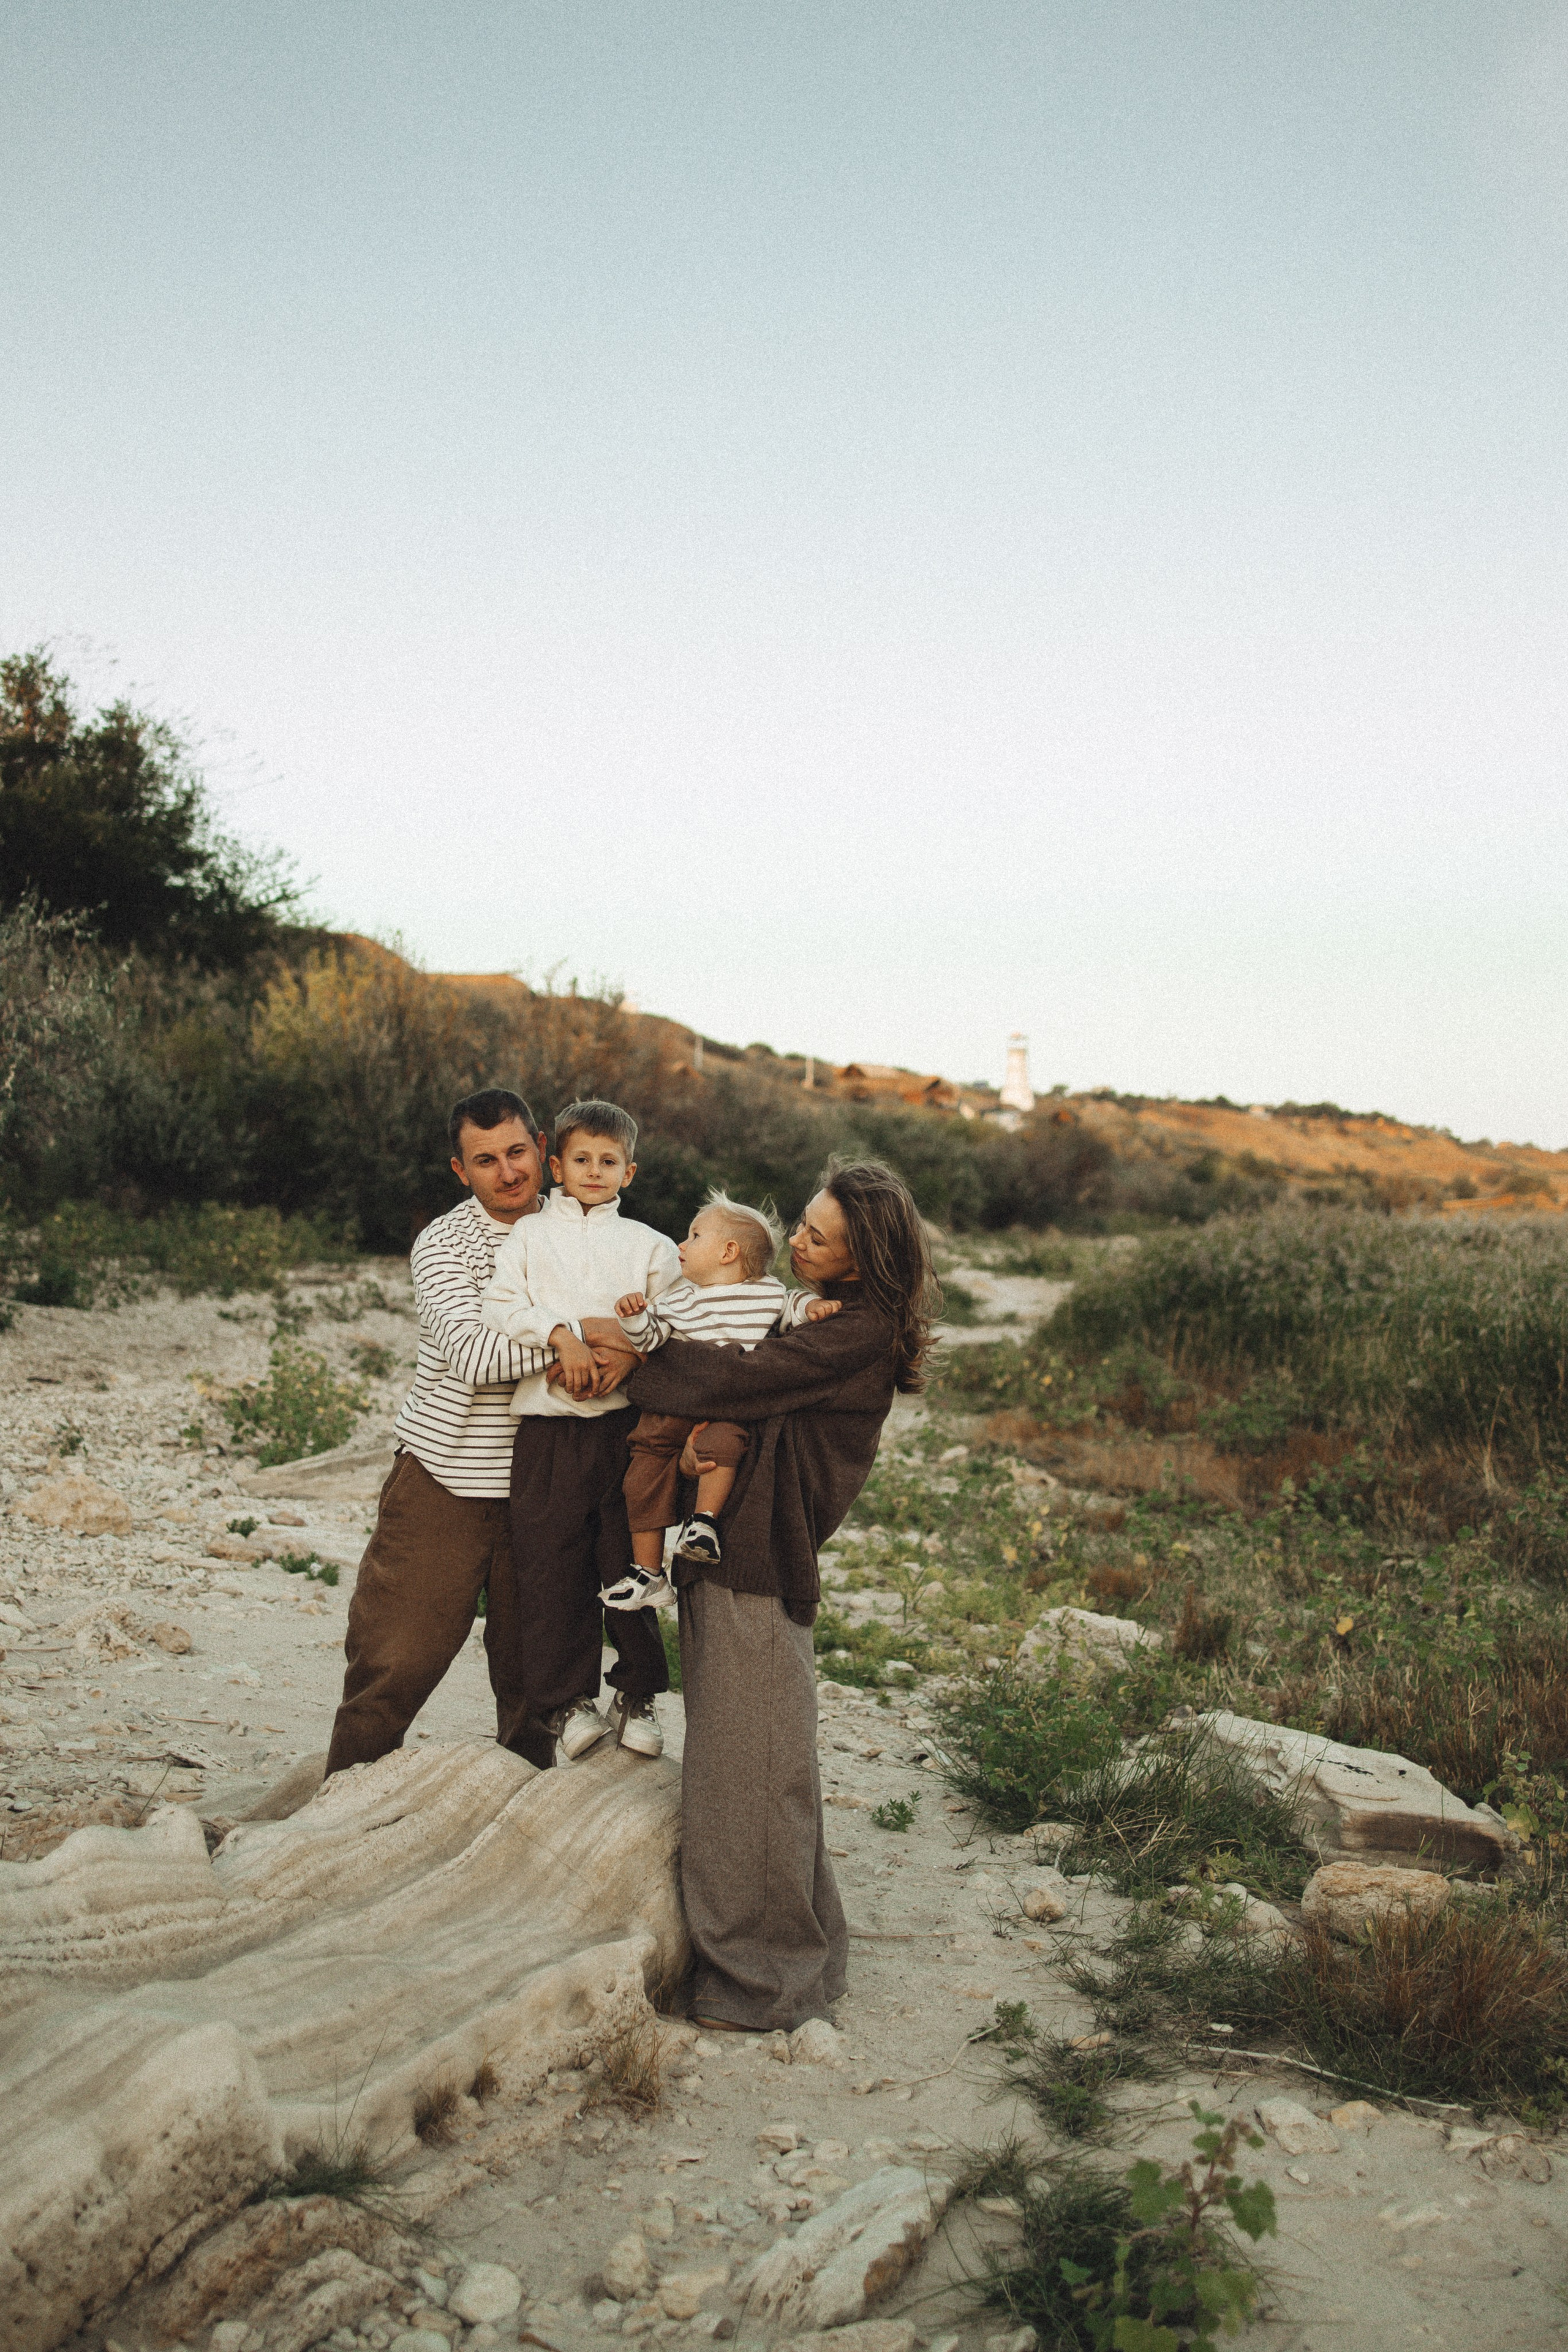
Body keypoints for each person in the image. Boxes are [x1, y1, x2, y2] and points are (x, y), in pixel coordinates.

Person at [624, 1158, 937, 2034]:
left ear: (861, 1255)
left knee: (744, 1777)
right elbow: (734, 1365)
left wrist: (626, 1358)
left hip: (759, 1558)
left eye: (815, 1237)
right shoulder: (820, 1315)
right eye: (799, 1225)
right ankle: (809, 1961)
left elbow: (734, 1379)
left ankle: (763, 1988)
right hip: (740, 1550)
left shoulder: (851, 1331)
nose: (793, 1243)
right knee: (767, 1765)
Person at [324, 1088, 561, 1777]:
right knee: (392, 1663)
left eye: (517, 1152)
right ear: (462, 1172)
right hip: (446, 1475)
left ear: (541, 1147)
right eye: (485, 1160)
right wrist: (583, 1342)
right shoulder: (444, 1245)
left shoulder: (585, 1233)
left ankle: (513, 1833)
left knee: (535, 1686)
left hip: (546, 1486)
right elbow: (479, 1359)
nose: (508, 1172)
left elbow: (660, 1316)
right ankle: (338, 1818)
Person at [478, 1098, 677, 1767]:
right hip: (547, 1430)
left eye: (609, 1161)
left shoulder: (650, 1246)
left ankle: (638, 1692)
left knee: (629, 1561)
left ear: (630, 1172)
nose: (594, 1172)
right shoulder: (530, 1238)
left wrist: (624, 1354)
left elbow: (675, 1327)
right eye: (582, 1160)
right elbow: (503, 1305)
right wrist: (561, 1337)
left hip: (625, 1431)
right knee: (550, 1566)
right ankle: (566, 1702)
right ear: (556, 1164)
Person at [607, 1192, 840, 1609]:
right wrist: (634, 1318)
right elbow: (649, 1339)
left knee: (722, 1446)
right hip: (669, 1413)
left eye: (695, 1236)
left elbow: (793, 1306)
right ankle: (649, 1574)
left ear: (728, 1252)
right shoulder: (677, 1299)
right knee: (642, 1476)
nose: (682, 1245)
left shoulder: (766, 1292)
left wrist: (814, 1307)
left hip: (727, 1411)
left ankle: (703, 1524)